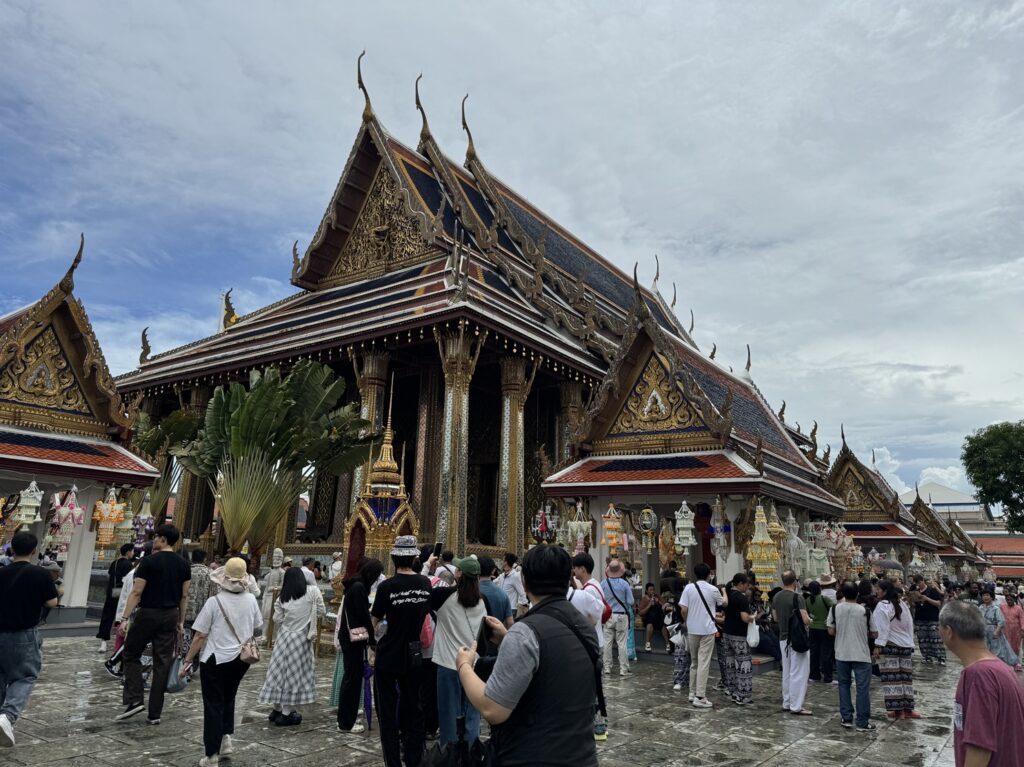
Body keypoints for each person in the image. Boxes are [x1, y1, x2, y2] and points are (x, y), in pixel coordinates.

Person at [455, 544, 599, 767]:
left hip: (532, 755)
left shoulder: (526, 632)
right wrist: (507, 640)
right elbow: (552, 667)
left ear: (524, 582)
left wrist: (465, 665)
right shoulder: (583, 626)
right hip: (580, 754)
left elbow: (492, 708)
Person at [181, 557, 263, 767]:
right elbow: (257, 629)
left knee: (213, 704)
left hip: (216, 659)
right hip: (240, 659)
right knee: (228, 697)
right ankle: (226, 739)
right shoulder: (251, 601)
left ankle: (211, 755)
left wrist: (188, 660)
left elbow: (200, 635)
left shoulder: (214, 602)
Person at [116, 524, 191, 725]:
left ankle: (135, 698)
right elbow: (184, 595)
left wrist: (124, 618)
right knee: (162, 662)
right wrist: (181, 621)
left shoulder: (148, 562)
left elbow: (137, 592)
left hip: (148, 612)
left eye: (157, 537)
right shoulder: (184, 565)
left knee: (130, 653)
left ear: (164, 540)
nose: (155, 540)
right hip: (171, 614)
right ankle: (154, 713)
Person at [939, 601, 1024, 767]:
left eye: (940, 627)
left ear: (949, 631)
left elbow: (979, 747)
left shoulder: (979, 675)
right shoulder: (1002, 668)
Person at [371, 535, 431, 767]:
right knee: (414, 708)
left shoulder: (387, 587)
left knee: (387, 714)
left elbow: (374, 621)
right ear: (415, 558)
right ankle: (414, 759)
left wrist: (371, 646)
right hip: (414, 653)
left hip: (389, 653)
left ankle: (393, 762)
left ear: (394, 558)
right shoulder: (425, 584)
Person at [0, 532, 60, 748]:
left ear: (12, 549)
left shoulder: (2, 572)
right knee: (24, 676)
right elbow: (52, 602)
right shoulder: (40, 574)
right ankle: (7, 716)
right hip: (24, 634)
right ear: (34, 551)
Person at [429, 555, 487, 747]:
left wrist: (428, 566)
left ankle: (451, 756)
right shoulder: (483, 600)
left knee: (449, 716)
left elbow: (423, 592)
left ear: (459, 573)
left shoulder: (443, 596)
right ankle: (470, 755)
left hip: (449, 664)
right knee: (472, 715)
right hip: (474, 665)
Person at [258, 566, 325, 725]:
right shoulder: (313, 592)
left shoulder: (282, 596)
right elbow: (321, 611)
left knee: (279, 671)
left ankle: (277, 708)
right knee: (293, 674)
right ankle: (286, 713)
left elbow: (277, 618)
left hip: (283, 638)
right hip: (301, 638)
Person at [336, 557, 382, 734]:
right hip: (354, 639)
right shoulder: (359, 588)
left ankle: (344, 718)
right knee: (353, 680)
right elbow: (363, 616)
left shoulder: (354, 585)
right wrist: (372, 638)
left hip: (349, 638)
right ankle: (346, 722)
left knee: (351, 677)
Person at [828, 580, 877, 731]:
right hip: (861, 653)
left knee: (844, 684)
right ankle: (862, 721)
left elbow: (830, 630)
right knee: (862, 688)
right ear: (857, 594)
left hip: (842, 652)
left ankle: (847, 717)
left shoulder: (835, 609)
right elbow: (875, 633)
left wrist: (843, 631)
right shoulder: (865, 611)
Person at [569, 553, 608, 741]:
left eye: (575, 568)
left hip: (592, 641)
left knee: (593, 686)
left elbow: (593, 619)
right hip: (595, 640)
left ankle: (597, 723)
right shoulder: (593, 586)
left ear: (582, 569)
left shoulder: (589, 590)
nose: (574, 571)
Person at [679, 562, 724, 708]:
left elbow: (683, 610)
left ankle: (692, 693)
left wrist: (687, 622)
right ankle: (700, 696)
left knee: (694, 662)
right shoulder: (713, 589)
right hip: (707, 630)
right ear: (708, 574)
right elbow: (724, 603)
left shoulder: (688, 588)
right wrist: (724, 591)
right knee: (703, 663)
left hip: (692, 629)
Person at [873, 579, 918, 719]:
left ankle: (897, 711)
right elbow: (910, 624)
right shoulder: (902, 604)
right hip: (905, 644)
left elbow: (882, 628)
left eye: (878, 589)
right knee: (905, 678)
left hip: (889, 645)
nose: (876, 591)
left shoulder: (882, 606)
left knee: (891, 679)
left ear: (885, 591)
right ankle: (908, 709)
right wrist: (910, 642)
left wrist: (878, 645)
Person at [772, 570, 812, 716]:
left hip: (783, 638)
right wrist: (810, 620)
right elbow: (805, 619)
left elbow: (775, 618)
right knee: (799, 672)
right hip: (796, 639)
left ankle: (787, 702)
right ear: (795, 581)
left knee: (787, 672)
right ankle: (796, 705)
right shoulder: (797, 598)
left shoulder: (776, 596)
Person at [721, 573, 755, 705]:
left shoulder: (727, 596)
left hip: (727, 633)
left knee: (730, 664)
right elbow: (745, 618)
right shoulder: (742, 598)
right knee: (743, 665)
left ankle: (732, 691)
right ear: (740, 584)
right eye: (746, 584)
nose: (747, 587)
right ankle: (743, 695)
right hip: (739, 636)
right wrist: (754, 617)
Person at [97, 544, 135, 653]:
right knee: (122, 617)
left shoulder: (115, 563)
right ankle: (120, 642)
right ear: (128, 552)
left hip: (112, 592)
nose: (132, 553)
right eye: (132, 551)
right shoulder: (129, 565)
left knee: (107, 616)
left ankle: (103, 642)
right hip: (122, 594)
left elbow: (110, 576)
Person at [601, 559, 634, 677]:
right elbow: (630, 601)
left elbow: (601, 601)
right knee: (622, 643)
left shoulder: (603, 584)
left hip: (609, 615)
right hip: (621, 615)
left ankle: (607, 668)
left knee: (607, 642)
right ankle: (623, 669)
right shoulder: (625, 584)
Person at [184, 549, 213, 669]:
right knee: (198, 636)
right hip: (202, 610)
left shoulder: (187, 570)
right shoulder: (209, 573)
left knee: (186, 637)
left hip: (186, 609)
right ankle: (193, 663)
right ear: (204, 558)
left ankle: (184, 661)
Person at [911, 574, 946, 665]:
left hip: (932, 617)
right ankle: (926, 656)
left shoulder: (932, 590)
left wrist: (926, 599)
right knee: (923, 639)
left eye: (920, 582)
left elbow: (938, 603)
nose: (919, 585)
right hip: (920, 618)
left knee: (935, 638)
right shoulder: (916, 591)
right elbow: (914, 606)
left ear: (923, 580)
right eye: (917, 583)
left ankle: (940, 657)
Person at [979, 590, 1019, 669]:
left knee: (996, 651)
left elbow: (1001, 621)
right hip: (983, 631)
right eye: (984, 595)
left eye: (987, 595)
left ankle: (997, 667)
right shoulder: (980, 608)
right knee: (985, 649)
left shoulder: (996, 608)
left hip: (994, 631)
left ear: (991, 597)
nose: (985, 597)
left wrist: (997, 631)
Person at [805, 580, 835, 684]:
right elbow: (834, 608)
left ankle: (814, 675)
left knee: (814, 653)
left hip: (813, 629)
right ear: (819, 589)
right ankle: (827, 677)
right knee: (826, 654)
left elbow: (808, 614)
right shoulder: (824, 599)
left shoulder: (808, 600)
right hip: (824, 629)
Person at [478, 556, 513, 629]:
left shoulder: (470, 591)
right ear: (493, 570)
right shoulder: (503, 594)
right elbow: (510, 622)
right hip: (496, 637)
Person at [638, 583, 670, 652]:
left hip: (658, 619)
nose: (652, 591)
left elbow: (665, 607)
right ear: (647, 591)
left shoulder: (657, 596)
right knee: (650, 623)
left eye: (653, 589)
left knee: (663, 624)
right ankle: (648, 644)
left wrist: (659, 602)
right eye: (650, 590)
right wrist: (649, 605)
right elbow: (640, 613)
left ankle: (668, 643)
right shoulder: (644, 599)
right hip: (648, 619)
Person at [496, 553, 528, 617]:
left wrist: (525, 607)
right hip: (501, 608)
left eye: (503, 560)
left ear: (506, 562)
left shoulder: (515, 576)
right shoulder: (502, 576)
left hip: (511, 609)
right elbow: (493, 583)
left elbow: (522, 593)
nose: (502, 562)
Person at [999, 593, 1023, 671]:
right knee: (1006, 646)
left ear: (1014, 600)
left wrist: (1023, 630)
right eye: (1007, 600)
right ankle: (1007, 663)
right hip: (1005, 629)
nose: (1009, 601)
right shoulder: (1002, 607)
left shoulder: (1018, 608)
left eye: (1011, 600)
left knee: (1016, 647)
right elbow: (999, 617)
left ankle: (1016, 663)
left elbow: (1022, 619)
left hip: (1016, 631)